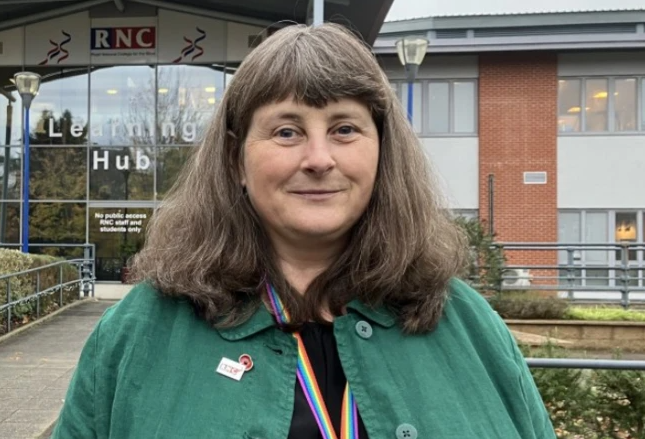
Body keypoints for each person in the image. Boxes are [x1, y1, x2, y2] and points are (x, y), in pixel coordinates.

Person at [51, 23, 555, 439]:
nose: (318, 159)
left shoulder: (469, 327)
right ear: (237, 160)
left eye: (344, 128)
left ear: (382, 153)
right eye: (287, 131)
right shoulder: (137, 336)